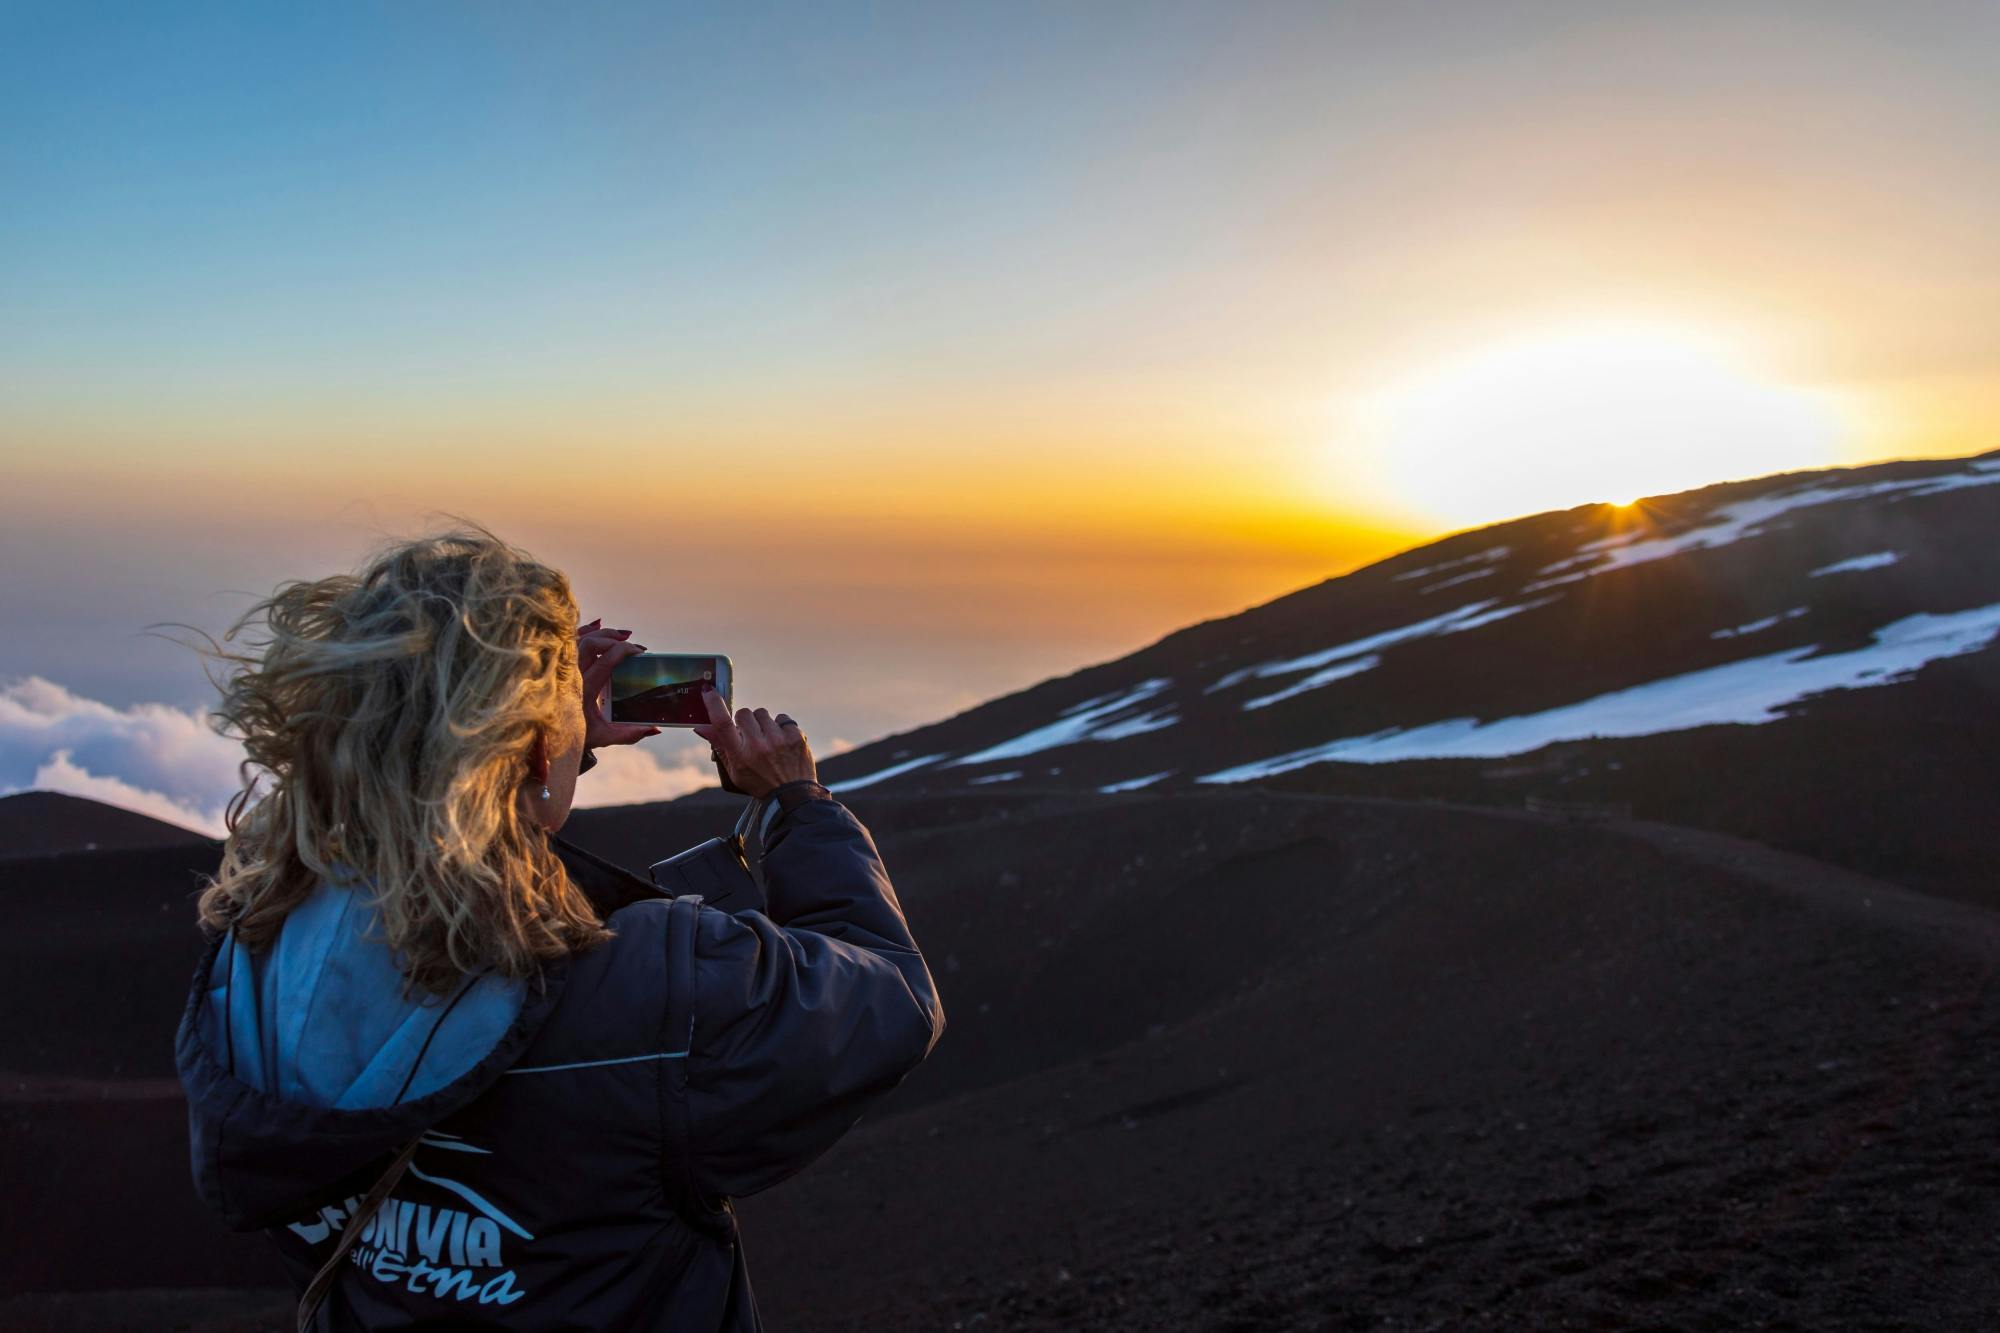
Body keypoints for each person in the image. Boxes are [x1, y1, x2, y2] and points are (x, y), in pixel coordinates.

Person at [171, 522, 945, 1330]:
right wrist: (797, 805)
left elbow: (439, 867)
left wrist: (538, 759)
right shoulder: (648, 986)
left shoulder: (263, 940)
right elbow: (888, 998)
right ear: (536, 751)